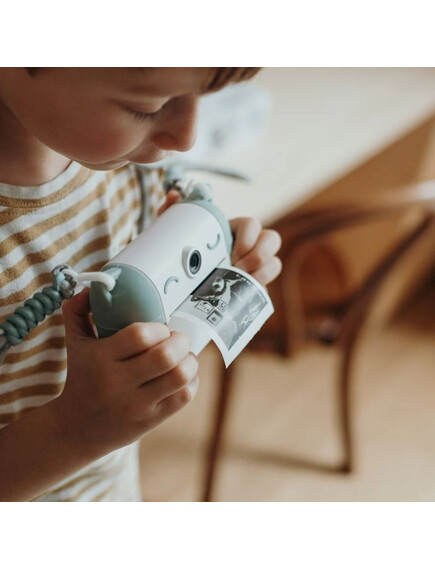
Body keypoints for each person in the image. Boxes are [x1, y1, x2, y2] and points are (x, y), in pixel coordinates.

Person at [0, 68, 282, 501]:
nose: (186, 138)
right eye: (148, 106)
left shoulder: (127, 166)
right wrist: (73, 430)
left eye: (200, 96)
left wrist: (211, 274)